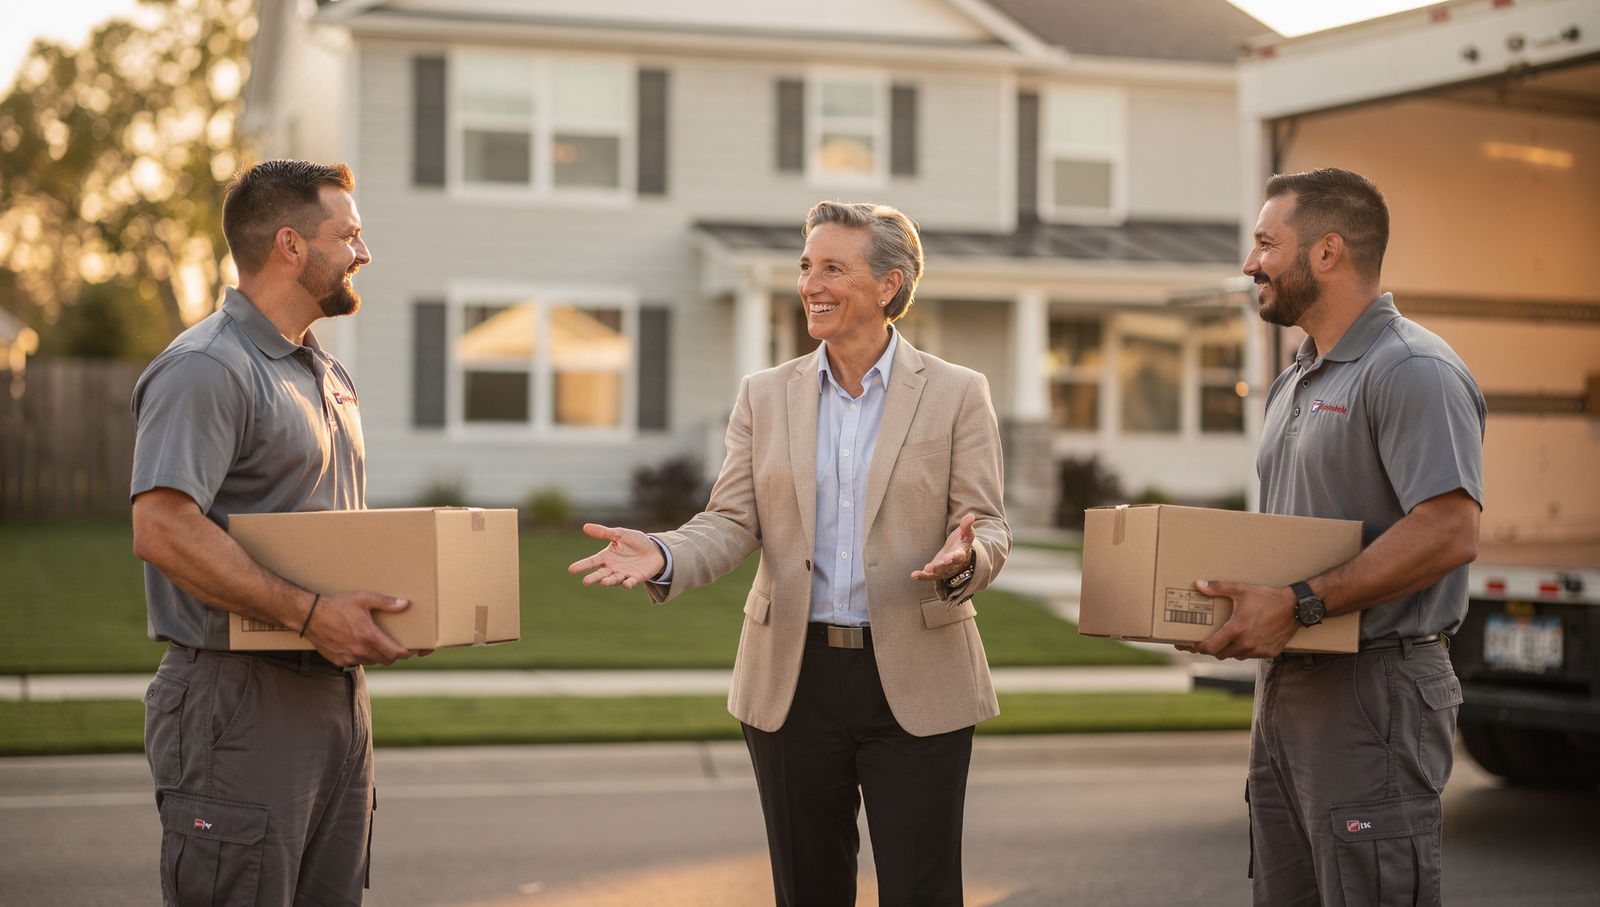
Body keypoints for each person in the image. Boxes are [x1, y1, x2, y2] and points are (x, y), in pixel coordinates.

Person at [571, 201, 1010, 907]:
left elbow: (986, 524)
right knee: (808, 891)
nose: (811, 283)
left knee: (923, 892)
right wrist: (664, 552)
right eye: (806, 266)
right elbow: (733, 519)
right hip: (793, 684)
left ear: (889, 284)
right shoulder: (765, 395)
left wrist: (968, 558)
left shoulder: (958, 393)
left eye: (833, 267)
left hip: (920, 679)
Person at [1185, 168, 1484, 906]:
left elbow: (1449, 530)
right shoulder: (1297, 378)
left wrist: (1300, 603)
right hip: (1288, 686)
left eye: (1265, 243)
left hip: (1375, 688)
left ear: (1326, 252)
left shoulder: (1411, 369)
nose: (1250, 263)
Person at [130, 159, 416, 907]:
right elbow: (162, 529)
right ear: (290, 245)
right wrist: (314, 615)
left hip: (335, 699)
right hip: (238, 699)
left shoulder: (326, 373)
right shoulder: (206, 368)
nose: (364, 252)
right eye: (347, 235)